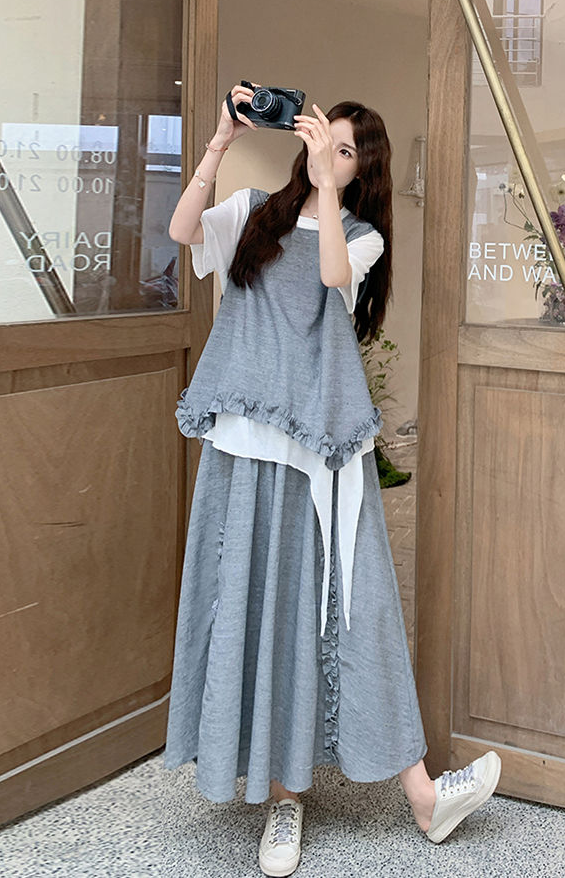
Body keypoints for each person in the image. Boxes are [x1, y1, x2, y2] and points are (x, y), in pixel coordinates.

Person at [164, 83, 501, 877]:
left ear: (361, 171)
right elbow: (181, 231)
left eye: (346, 150)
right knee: (262, 605)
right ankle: (283, 799)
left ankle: (423, 794)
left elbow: (328, 277)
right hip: (243, 445)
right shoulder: (253, 211)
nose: (329, 153)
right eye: (326, 138)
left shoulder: (359, 238)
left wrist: (322, 183)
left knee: (360, 600)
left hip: (321, 453)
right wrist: (220, 141)